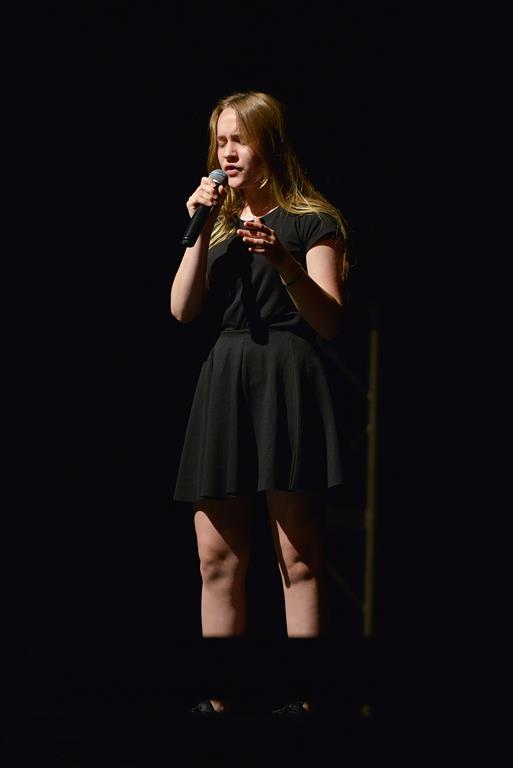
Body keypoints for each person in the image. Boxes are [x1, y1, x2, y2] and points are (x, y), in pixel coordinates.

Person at [170, 91, 349, 717]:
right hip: (225, 380)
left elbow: (330, 321)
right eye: (220, 141)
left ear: (268, 143)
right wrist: (197, 229)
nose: (228, 152)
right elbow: (182, 310)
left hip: (287, 377)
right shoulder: (214, 227)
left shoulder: (312, 221)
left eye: (239, 139)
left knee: (297, 556)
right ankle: (218, 702)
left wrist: (281, 259)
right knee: (216, 557)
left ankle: (307, 701)